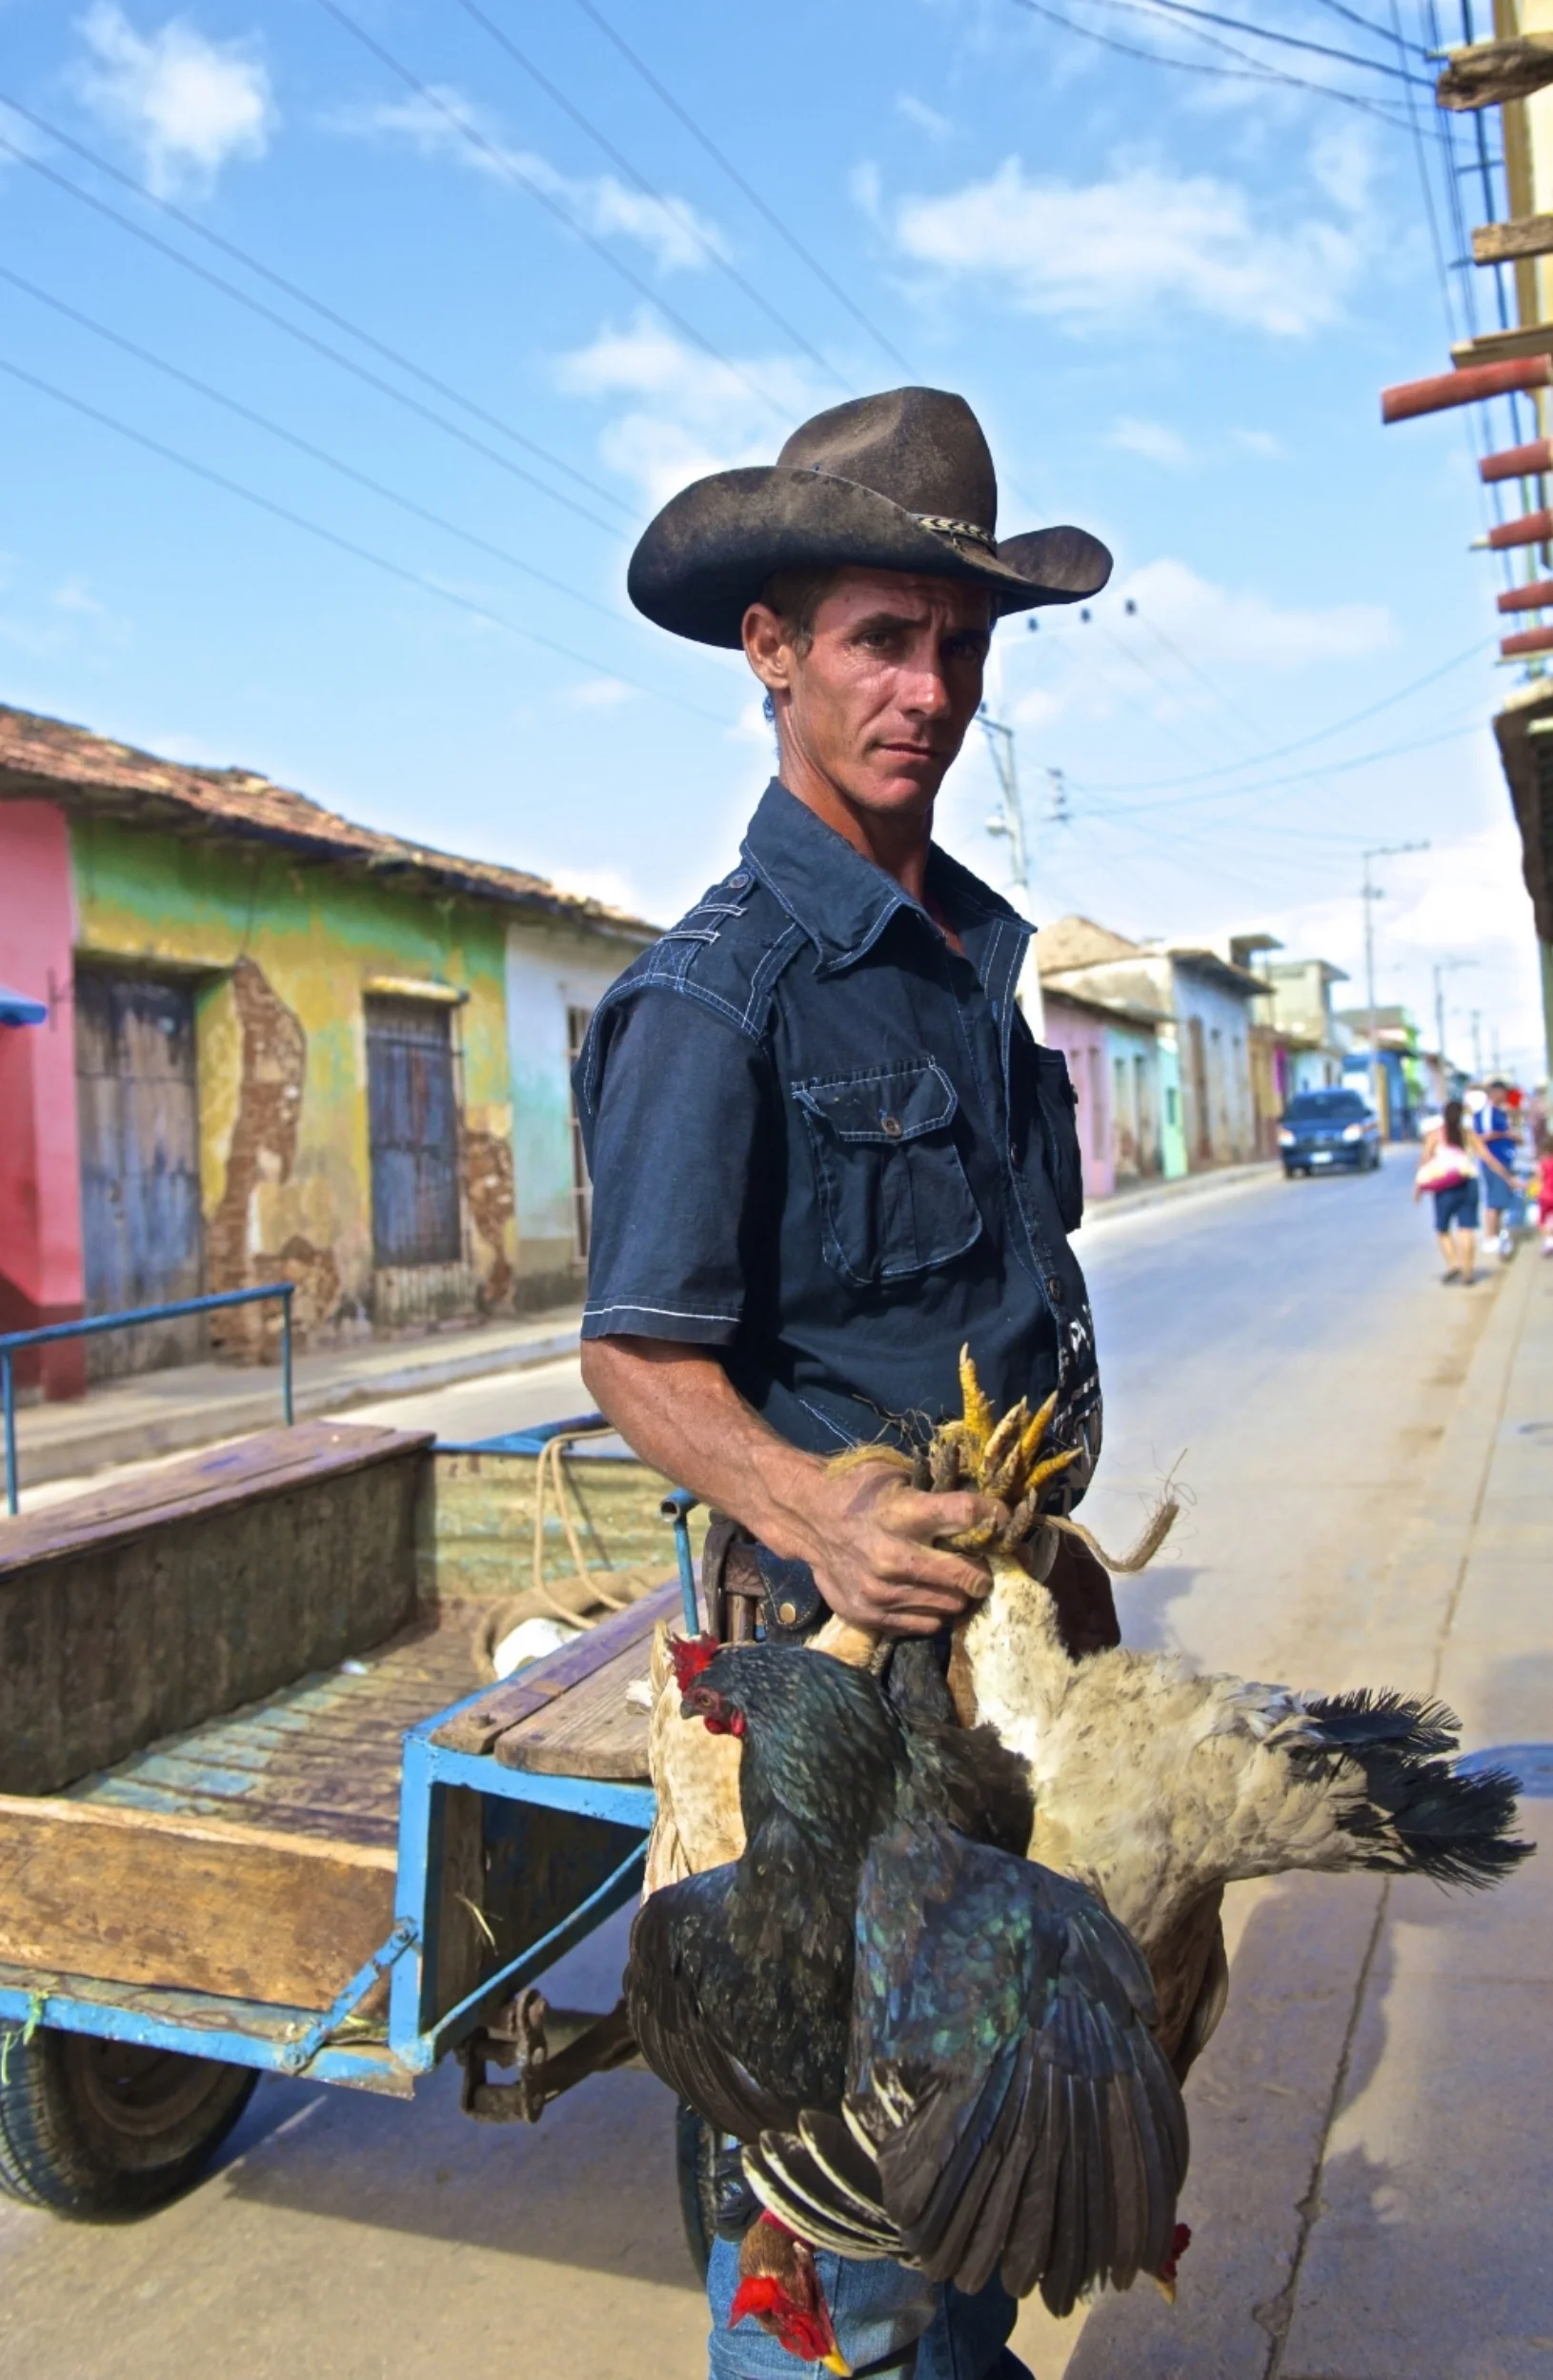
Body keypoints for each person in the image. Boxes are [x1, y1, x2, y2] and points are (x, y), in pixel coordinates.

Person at [574, 387, 1117, 2380]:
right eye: (881, 639)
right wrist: (809, 1507)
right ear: (772, 651)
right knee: (839, 2242)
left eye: (958, 645)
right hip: (823, 1709)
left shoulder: (962, 951)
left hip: (981, 1671)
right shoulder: (721, 994)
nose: (928, 690)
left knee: (978, 2155)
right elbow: (635, 1352)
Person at [1414, 1098, 1514, 1283]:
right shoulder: (1469, 1134)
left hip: (1444, 1186)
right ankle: (1468, 1272)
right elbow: (1488, 1158)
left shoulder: (1435, 1135)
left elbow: (1425, 1160)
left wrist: (1418, 1186)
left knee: (1442, 1228)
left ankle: (1453, 1265)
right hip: (1468, 1183)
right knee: (1466, 1228)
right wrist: (1507, 1177)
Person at [1478, 1077, 1523, 1261]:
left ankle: (1498, 1236)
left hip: (1505, 1161)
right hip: (1494, 1164)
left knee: (1502, 1200)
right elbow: (1482, 1137)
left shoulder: (1501, 1112)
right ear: (1495, 1093)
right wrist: (1505, 1134)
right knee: (1495, 1201)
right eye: (1503, 1093)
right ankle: (1492, 1237)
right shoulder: (1487, 1112)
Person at [1536, 1130, 1553, 1258]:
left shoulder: (1543, 1163)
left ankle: (1548, 1242)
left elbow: (1539, 1179)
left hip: (1545, 1196)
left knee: (1543, 1220)